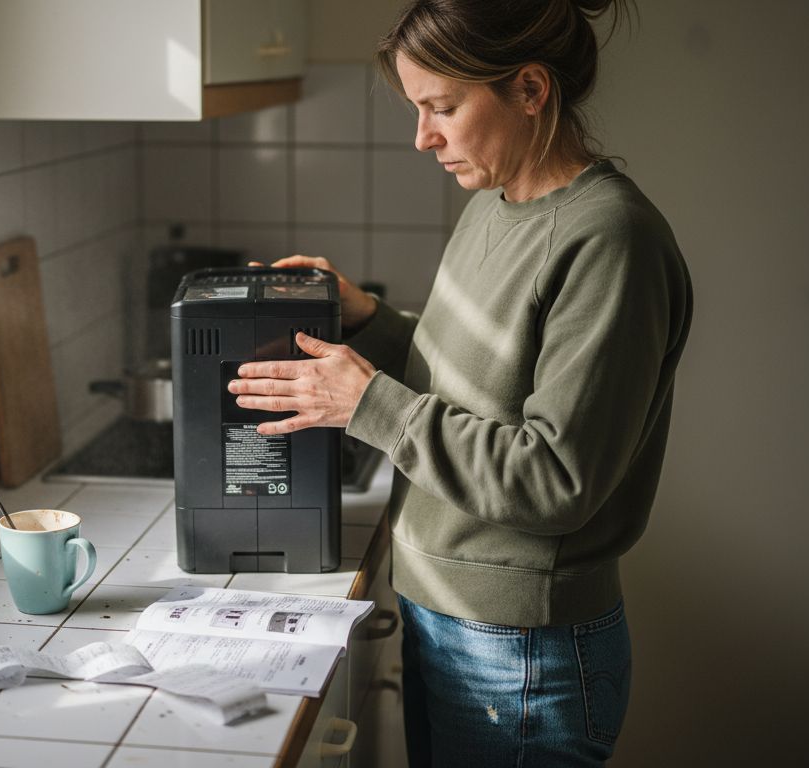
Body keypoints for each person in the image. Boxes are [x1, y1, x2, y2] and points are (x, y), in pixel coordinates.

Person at [227, 0, 692, 764]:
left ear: (531, 90)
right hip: (449, 617)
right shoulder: (494, 206)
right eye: (419, 109)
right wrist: (365, 315)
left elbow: (554, 478)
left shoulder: (610, 240)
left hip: (522, 654)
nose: (423, 137)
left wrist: (368, 403)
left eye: (442, 107)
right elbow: (474, 381)